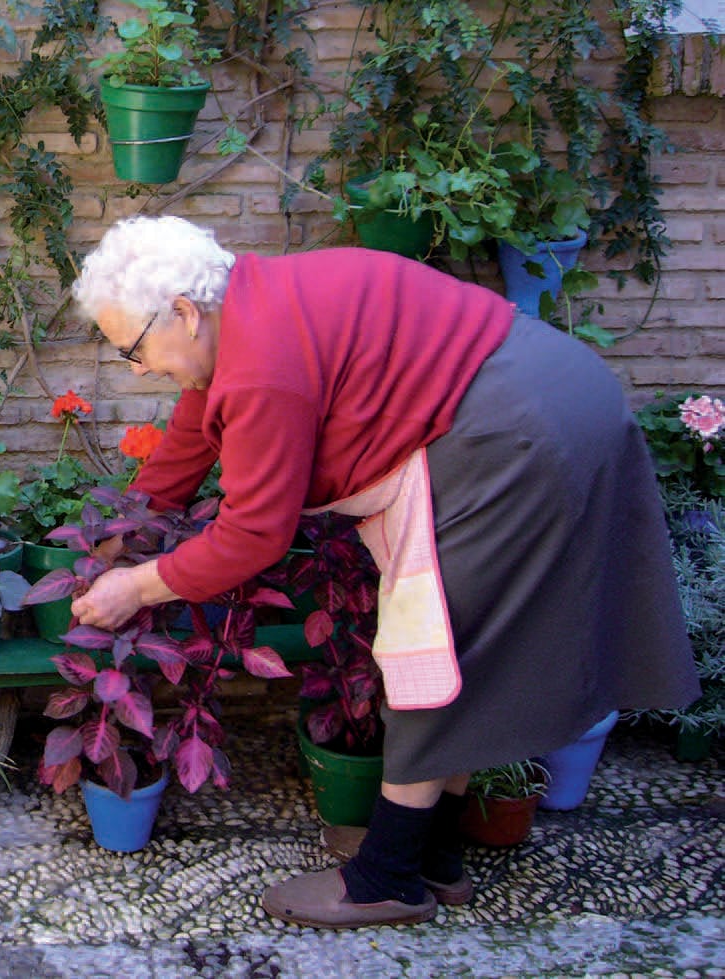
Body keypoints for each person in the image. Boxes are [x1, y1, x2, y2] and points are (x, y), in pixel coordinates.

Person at [68, 215, 700, 929]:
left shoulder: (261, 362)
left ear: (182, 311)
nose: (137, 368)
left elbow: (251, 534)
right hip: (539, 399)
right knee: (460, 647)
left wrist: (138, 586)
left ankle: (386, 878)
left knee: (430, 650)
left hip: (513, 436)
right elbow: (194, 426)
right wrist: (129, 524)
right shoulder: (248, 304)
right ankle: (431, 854)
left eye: (133, 347)